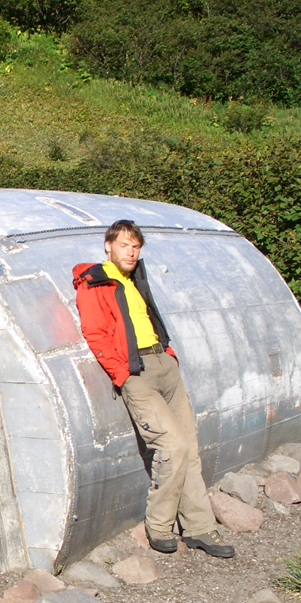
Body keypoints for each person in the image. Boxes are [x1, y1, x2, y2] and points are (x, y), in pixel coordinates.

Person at [72, 219, 234, 559]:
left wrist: (169, 353)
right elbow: (96, 334)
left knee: (189, 448)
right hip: (137, 372)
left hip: (164, 365)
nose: (131, 252)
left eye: (136, 246)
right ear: (108, 246)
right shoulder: (95, 283)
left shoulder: (134, 279)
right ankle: (159, 527)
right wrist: (123, 374)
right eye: (124, 245)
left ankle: (200, 528)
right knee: (170, 445)